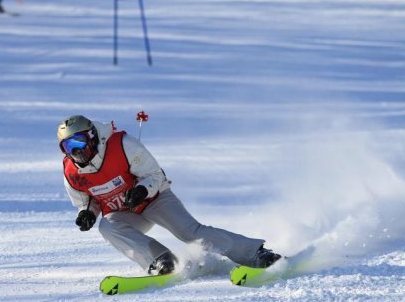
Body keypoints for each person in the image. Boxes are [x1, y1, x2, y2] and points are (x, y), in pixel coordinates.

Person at [58, 115, 281, 275]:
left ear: (92, 136)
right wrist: (87, 212)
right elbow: (86, 200)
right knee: (106, 226)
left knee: (190, 233)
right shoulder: (71, 171)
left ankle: (255, 253)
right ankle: (160, 260)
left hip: (154, 200)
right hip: (125, 213)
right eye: (68, 146)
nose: (75, 151)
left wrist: (142, 190)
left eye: (79, 142)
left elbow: (155, 174)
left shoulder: (122, 145)